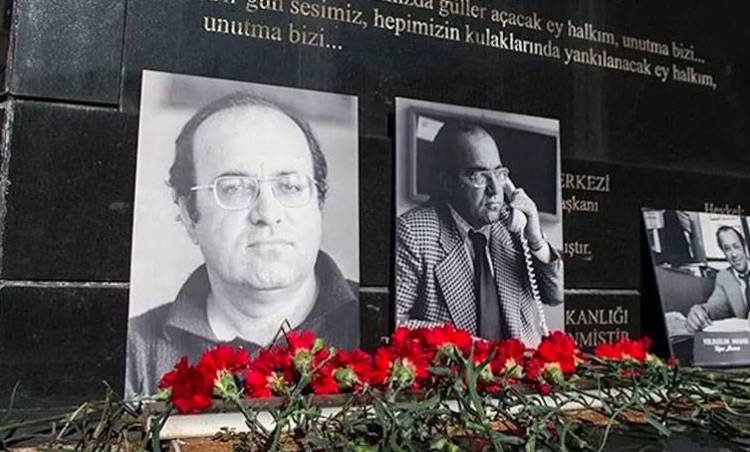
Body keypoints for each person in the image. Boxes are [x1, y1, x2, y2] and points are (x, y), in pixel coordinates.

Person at [126, 93, 359, 395]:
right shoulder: (134, 350)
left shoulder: (379, 322)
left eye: (290, 186)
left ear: (319, 204)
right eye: (234, 188)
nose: (268, 214)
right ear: (188, 214)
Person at [395, 120, 563, 347]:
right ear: (447, 183)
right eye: (479, 177)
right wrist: (469, 346)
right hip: (461, 368)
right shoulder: (413, 232)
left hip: (522, 366)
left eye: (500, 174)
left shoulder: (513, 222)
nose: (495, 190)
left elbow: (555, 295)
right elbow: (396, 322)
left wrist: (536, 240)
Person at [687, 226, 750, 332]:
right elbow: (715, 306)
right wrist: (701, 311)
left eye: (736, 246)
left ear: (744, 246)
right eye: (727, 249)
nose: (734, 254)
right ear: (723, 252)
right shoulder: (723, 277)